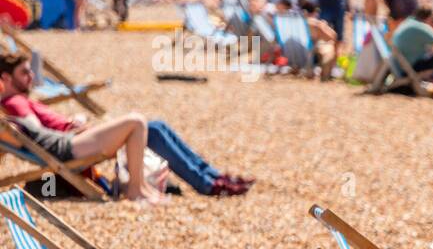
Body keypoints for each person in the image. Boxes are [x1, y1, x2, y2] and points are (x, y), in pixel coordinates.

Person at [1, 52, 252, 198]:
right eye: (25, 73)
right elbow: (36, 136)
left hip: (74, 138)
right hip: (73, 143)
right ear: (5, 78)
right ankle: (208, 183)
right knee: (148, 128)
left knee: (156, 126)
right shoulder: (15, 102)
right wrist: (74, 127)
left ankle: (212, 176)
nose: (32, 76)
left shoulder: (20, 100)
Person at [297, 0, 338, 81]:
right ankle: (325, 76)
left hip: (298, 49)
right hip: (314, 47)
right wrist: (324, 25)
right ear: (315, 11)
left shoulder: (296, 22)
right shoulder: (316, 23)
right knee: (330, 47)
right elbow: (333, 36)